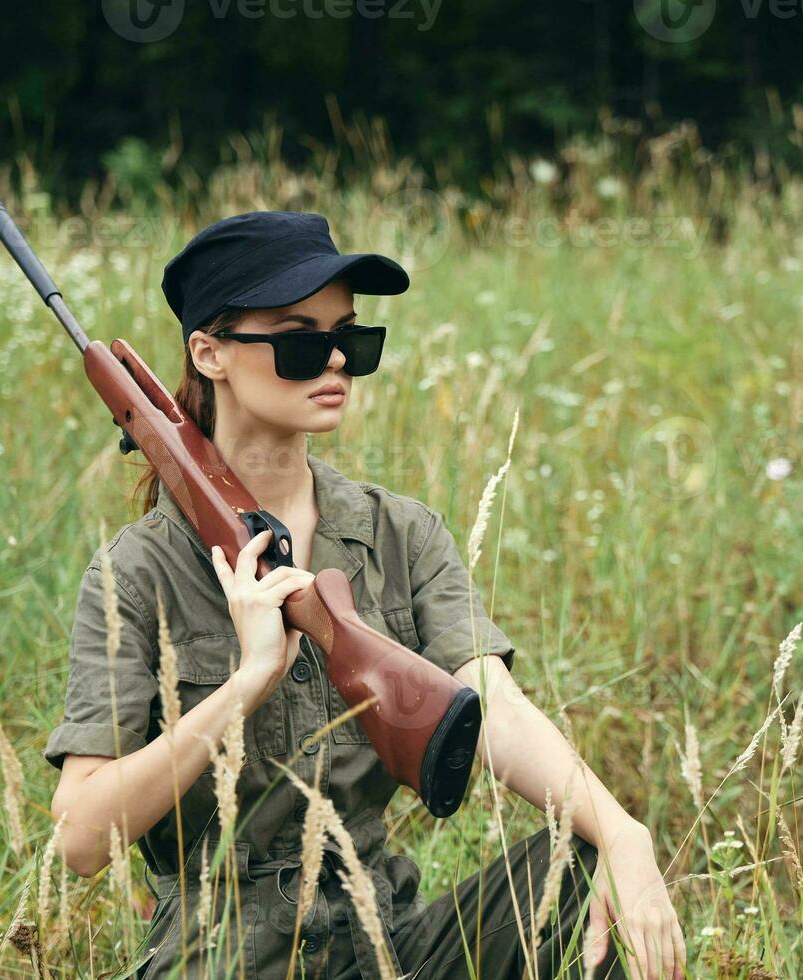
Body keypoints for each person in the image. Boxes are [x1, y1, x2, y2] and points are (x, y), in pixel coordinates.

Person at [42, 211, 686, 979]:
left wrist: (622, 834)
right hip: (219, 955)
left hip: (385, 940)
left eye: (351, 336)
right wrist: (245, 685)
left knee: (582, 878)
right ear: (209, 353)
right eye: (301, 339)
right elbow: (82, 835)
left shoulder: (402, 534)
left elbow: (495, 705)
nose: (339, 358)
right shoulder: (139, 569)